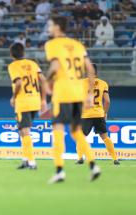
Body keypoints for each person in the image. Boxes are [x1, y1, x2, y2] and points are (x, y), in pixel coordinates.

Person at [44, 16, 101, 184]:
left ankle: (59, 170)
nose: (48, 27)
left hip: (63, 93)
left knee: (58, 130)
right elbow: (90, 69)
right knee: (76, 131)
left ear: (57, 27)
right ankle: (93, 166)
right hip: (78, 93)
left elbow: (55, 67)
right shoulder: (78, 45)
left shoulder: (52, 45)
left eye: (50, 24)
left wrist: (47, 82)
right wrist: (90, 94)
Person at [8, 43, 48, 170]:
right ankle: (25, 160)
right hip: (35, 101)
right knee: (22, 130)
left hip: (23, 102)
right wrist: (43, 100)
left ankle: (32, 161)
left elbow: (19, 82)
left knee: (25, 131)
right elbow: (43, 80)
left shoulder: (13, 65)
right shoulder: (33, 64)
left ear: (11, 54)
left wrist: (14, 97)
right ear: (23, 53)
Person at [76, 64, 119, 165]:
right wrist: (105, 113)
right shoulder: (103, 83)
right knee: (105, 137)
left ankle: (80, 158)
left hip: (86, 115)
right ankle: (115, 159)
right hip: (99, 114)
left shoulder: (81, 83)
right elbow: (107, 101)